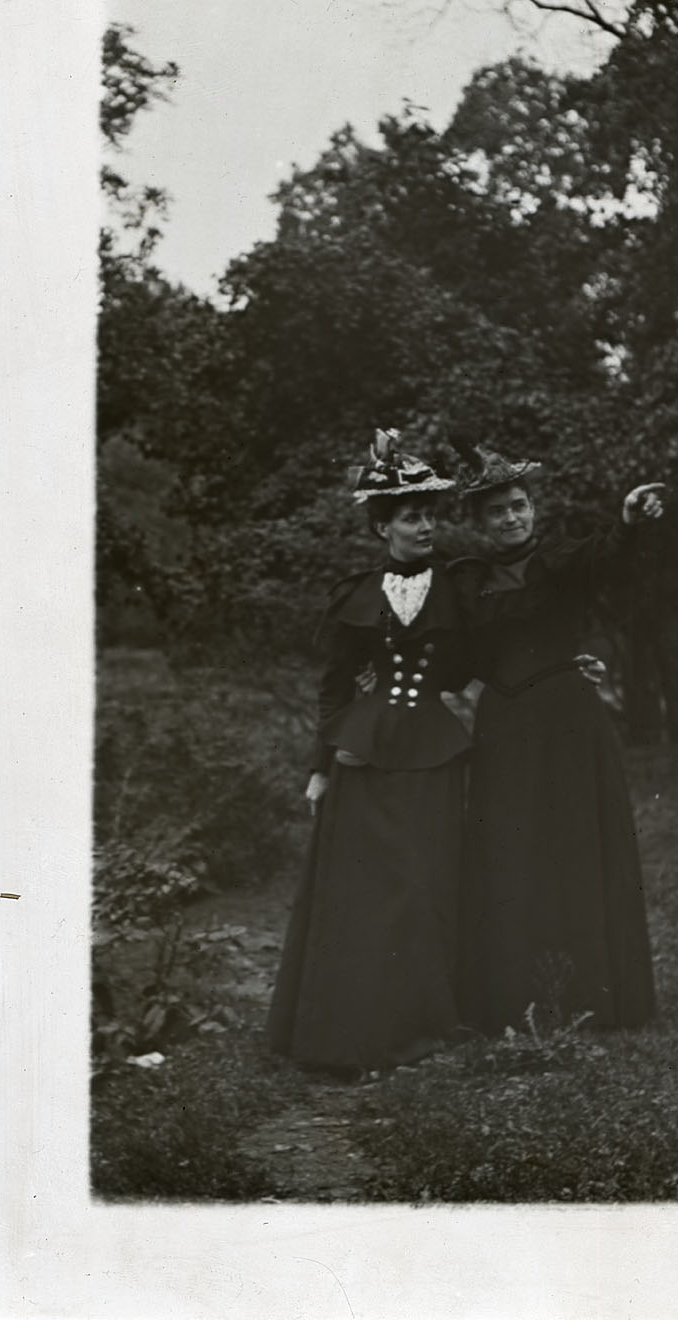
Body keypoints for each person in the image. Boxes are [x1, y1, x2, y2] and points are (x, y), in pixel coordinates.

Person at [266, 430, 472, 1075]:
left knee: (422, 885)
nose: (426, 526)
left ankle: (421, 1029)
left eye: (431, 515)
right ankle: (350, 1034)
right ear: (384, 525)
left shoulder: (459, 588)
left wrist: (563, 665)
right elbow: (333, 688)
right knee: (364, 891)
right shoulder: (357, 593)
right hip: (363, 756)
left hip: (432, 755)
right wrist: (319, 767)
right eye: (412, 516)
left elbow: (489, 658)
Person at [450, 444, 665, 1037]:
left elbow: (610, 556)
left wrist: (626, 519)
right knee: (512, 854)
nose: (511, 518)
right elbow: (447, 652)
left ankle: (588, 994)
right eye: (496, 512)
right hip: (505, 729)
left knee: (573, 847)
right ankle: (513, 1001)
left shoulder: (561, 560)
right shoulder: (466, 583)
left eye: (518, 506)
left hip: (569, 723)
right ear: (480, 523)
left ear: (532, 509)